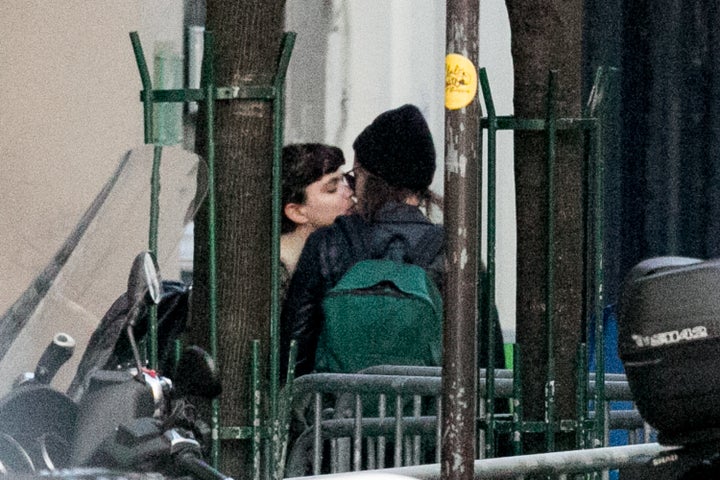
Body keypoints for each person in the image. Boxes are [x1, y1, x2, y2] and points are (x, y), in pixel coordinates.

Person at [280, 104, 448, 378]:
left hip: (339, 416)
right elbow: (488, 358)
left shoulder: (329, 244)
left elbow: (293, 353)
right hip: (430, 416)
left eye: (353, 176)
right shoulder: (454, 251)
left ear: (367, 178)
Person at [279, 143, 355, 303]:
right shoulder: (276, 276)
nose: (349, 192)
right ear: (297, 212)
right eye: (332, 188)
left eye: (344, 181)